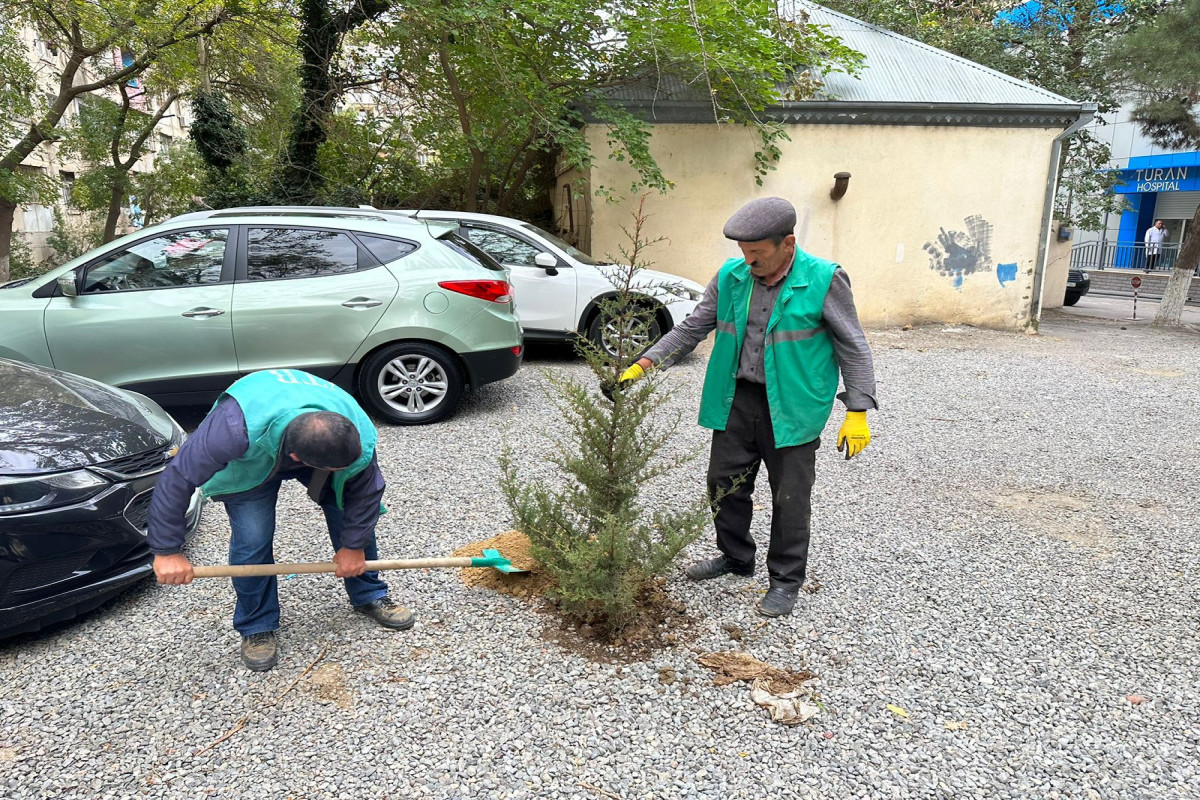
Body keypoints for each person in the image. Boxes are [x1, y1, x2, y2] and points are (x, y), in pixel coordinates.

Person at [609, 197, 877, 618]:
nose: (748, 261)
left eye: (758, 253)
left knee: (790, 497)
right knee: (723, 484)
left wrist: (857, 409)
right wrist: (641, 366)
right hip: (737, 398)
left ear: (788, 243)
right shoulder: (733, 277)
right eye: (743, 253)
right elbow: (693, 327)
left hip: (793, 405)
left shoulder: (824, 279)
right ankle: (736, 557)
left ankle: (786, 580)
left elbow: (853, 345)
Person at [148, 369, 413, 672]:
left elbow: (366, 492)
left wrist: (353, 547)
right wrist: (167, 551)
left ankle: (369, 593)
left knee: (348, 508)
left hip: (310, 444)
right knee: (252, 538)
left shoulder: (355, 432)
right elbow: (177, 479)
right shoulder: (232, 430)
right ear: (299, 459)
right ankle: (256, 625)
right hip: (251, 455)